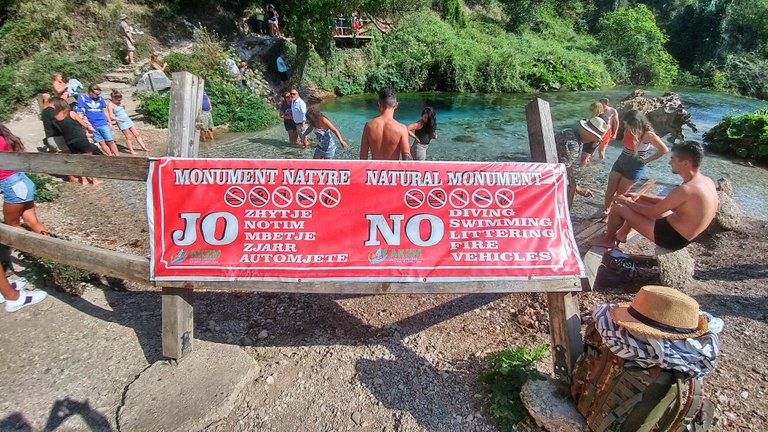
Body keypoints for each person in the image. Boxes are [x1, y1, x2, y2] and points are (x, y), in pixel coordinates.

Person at [594, 141, 717, 251]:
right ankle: (622, 234)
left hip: (672, 238)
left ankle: (608, 241)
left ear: (685, 163)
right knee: (639, 200)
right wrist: (640, 196)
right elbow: (672, 202)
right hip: (684, 233)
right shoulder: (706, 181)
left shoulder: (686, 189)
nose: (669, 162)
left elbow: (651, 212)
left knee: (618, 207)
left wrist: (626, 202)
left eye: (673, 159)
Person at [603, 110, 669, 217]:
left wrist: (647, 160)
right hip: (621, 160)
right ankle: (606, 211)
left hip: (635, 166)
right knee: (610, 188)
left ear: (635, 123)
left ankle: (613, 216)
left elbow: (664, 150)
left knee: (621, 194)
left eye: (628, 123)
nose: (625, 125)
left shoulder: (648, 135)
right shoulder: (630, 129)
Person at [0, 124, 50, 235]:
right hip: (23, 180)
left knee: (12, 225)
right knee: (32, 222)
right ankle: (49, 246)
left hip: (13, 186)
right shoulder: (4, 136)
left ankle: (30, 249)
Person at [52, 98, 103, 185]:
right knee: (89, 159)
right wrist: (86, 126)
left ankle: (84, 180)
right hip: (80, 139)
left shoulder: (55, 118)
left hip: (69, 141)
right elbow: (83, 124)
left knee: (79, 160)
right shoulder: (71, 113)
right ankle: (94, 180)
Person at [360, 87, 412, 161]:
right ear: (396, 105)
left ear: (379, 104)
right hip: (392, 171)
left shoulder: (369, 126)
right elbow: (407, 157)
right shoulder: (401, 129)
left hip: (374, 171)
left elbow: (363, 157)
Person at [77, 84, 119, 156]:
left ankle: (117, 156)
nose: (97, 96)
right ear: (90, 92)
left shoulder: (100, 99)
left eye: (98, 94)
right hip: (93, 125)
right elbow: (83, 112)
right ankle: (110, 155)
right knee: (101, 142)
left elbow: (105, 111)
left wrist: (110, 122)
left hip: (102, 122)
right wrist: (88, 125)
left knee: (110, 140)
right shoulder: (82, 98)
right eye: (96, 94)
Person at [108, 90, 148, 154]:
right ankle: (131, 150)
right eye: (118, 100)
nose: (119, 101)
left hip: (127, 119)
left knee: (137, 134)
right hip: (121, 122)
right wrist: (119, 120)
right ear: (113, 99)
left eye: (120, 100)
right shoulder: (110, 105)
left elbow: (122, 109)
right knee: (128, 136)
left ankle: (143, 147)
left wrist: (122, 106)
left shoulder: (119, 102)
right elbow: (111, 116)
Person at [578, 101, 607, 166]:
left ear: (596, 109)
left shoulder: (601, 118)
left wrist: (597, 141)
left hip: (592, 139)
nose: (591, 111)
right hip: (593, 138)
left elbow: (605, 130)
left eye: (592, 109)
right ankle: (588, 167)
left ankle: (582, 170)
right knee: (589, 155)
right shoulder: (599, 116)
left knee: (584, 158)